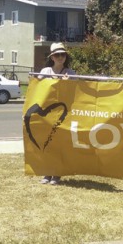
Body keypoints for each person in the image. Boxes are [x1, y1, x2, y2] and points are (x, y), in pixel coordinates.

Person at [38, 42, 76, 185]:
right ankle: (47, 172)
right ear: (52, 57)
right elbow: (37, 88)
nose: (60, 57)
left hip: (63, 113)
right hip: (47, 113)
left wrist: (66, 84)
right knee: (47, 143)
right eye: (57, 55)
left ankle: (57, 174)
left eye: (63, 54)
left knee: (59, 143)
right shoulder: (45, 71)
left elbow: (74, 94)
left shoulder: (71, 73)